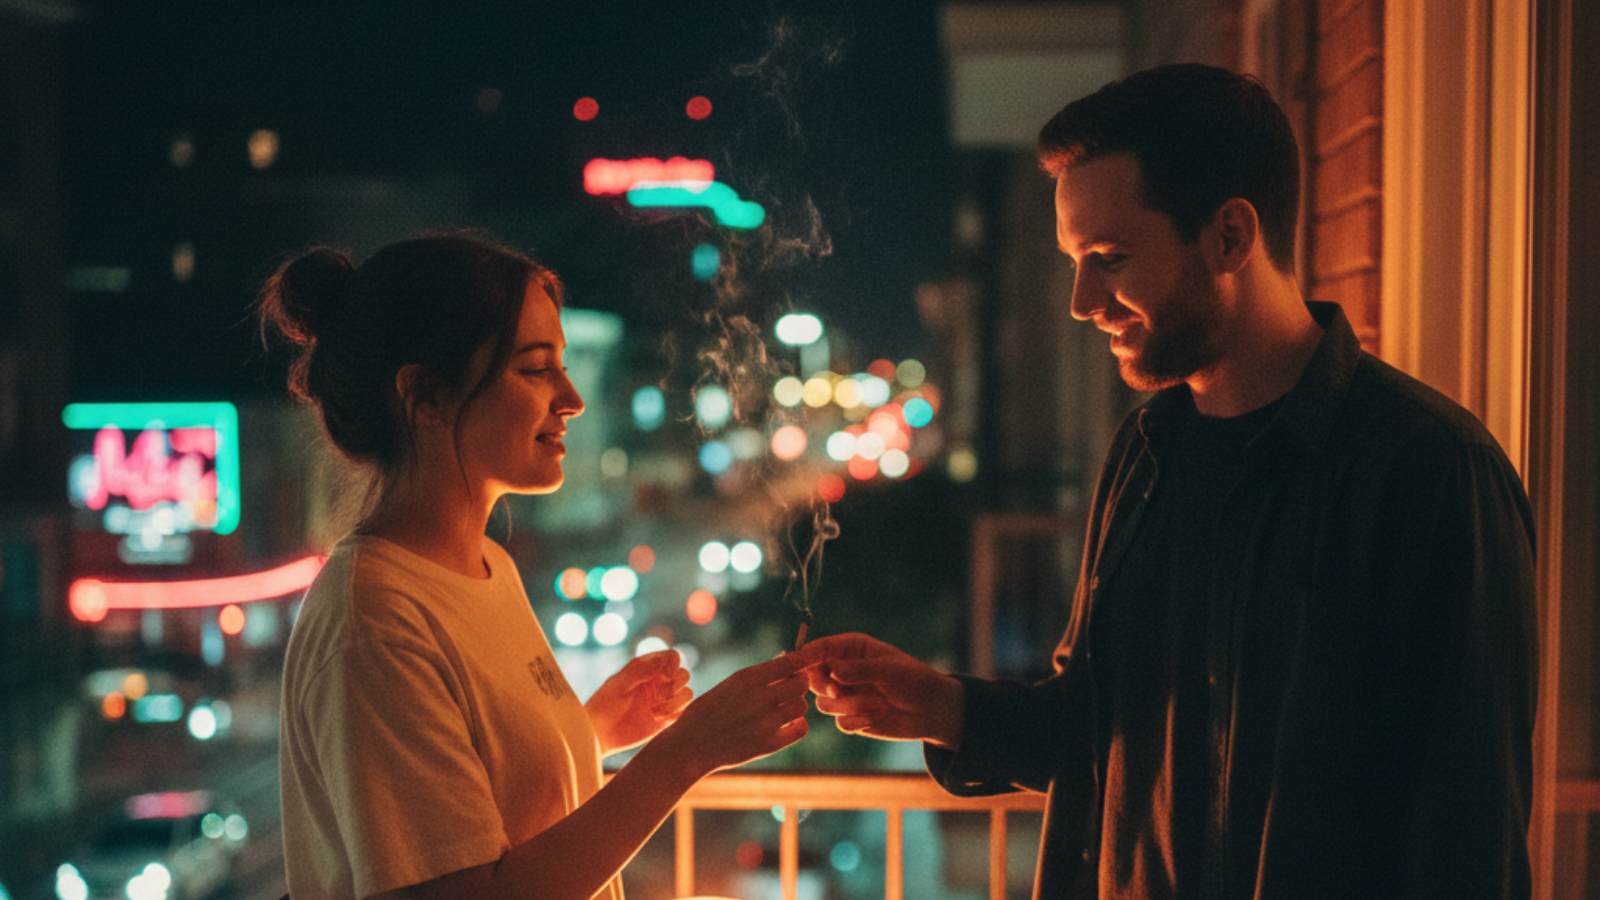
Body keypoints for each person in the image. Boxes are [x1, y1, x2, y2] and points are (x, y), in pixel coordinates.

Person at [806, 64, 1537, 899]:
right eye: (1075, 261)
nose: (1083, 301)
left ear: (1230, 236)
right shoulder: (1145, 453)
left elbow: (1466, 839)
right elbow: (1103, 736)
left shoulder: (1430, 472)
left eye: (1109, 258)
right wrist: (944, 708)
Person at [258, 232, 822, 900]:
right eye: (534, 368)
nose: (572, 399)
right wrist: (686, 753)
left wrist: (585, 733)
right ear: (424, 397)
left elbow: (479, 797)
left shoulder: (484, 567)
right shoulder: (375, 623)